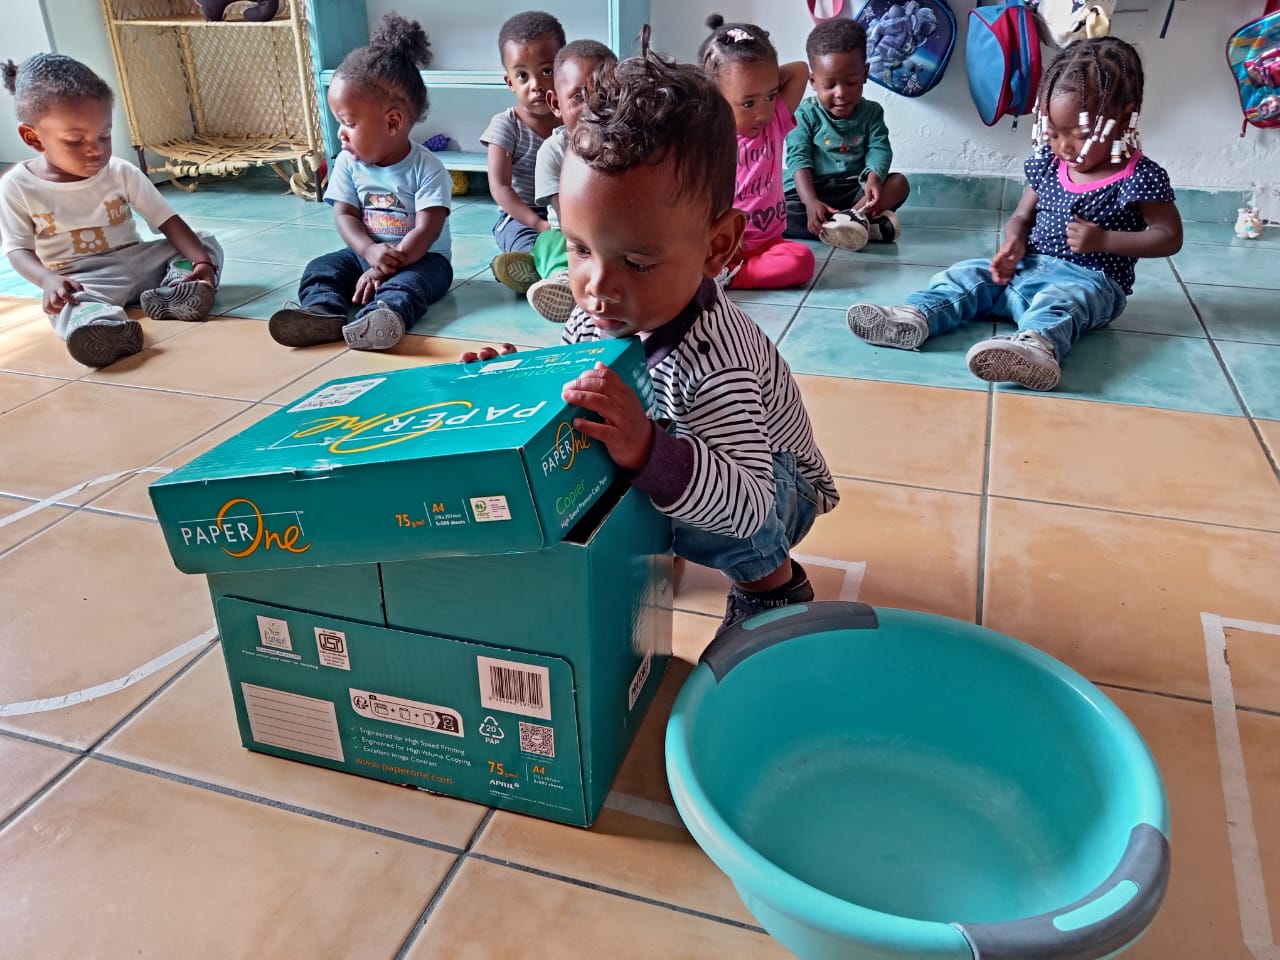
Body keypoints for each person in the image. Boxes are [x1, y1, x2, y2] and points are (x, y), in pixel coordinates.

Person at [464, 44, 840, 634]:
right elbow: (571, 384)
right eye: (580, 249)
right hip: (687, 449)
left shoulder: (716, 363)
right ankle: (660, 515)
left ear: (717, 247)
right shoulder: (598, 313)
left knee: (681, 489)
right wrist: (517, 379)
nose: (597, 287)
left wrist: (648, 451)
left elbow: (748, 505)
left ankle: (771, 585)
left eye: (637, 262)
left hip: (776, 488)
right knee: (600, 446)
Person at [846, 36, 1182, 391]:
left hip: (1091, 281)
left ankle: (1036, 347)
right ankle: (913, 317)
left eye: (1080, 134)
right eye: (1053, 133)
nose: (1064, 146)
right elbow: (1022, 216)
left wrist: (1104, 240)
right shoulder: (1050, 164)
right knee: (968, 274)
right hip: (1028, 268)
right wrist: (1014, 243)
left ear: (1124, 116)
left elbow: (1169, 236)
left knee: (1060, 303)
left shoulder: (1138, 177)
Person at [0, 53, 222, 368]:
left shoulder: (120, 171)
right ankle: (103, 327)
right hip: (83, 278)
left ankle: (179, 288)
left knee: (204, 242)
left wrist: (202, 262)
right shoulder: (17, 186)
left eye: (104, 135)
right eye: (75, 141)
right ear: (33, 137)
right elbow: (18, 250)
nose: (96, 149)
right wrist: (47, 280)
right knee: (69, 304)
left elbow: (168, 222)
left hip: (141, 262)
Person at [268, 14, 451, 351]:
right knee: (321, 268)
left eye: (349, 123)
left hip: (421, 259)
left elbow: (426, 231)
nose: (340, 133)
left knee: (409, 285)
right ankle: (322, 311)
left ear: (392, 123)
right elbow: (345, 215)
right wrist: (367, 251)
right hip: (365, 253)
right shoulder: (348, 163)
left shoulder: (428, 168)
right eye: (339, 122)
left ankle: (383, 316)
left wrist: (383, 268)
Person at [698, 14, 815, 290]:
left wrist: (760, 79)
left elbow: (800, 70)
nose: (762, 113)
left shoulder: (775, 122)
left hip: (769, 243)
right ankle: (720, 271)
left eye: (771, 96)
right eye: (748, 103)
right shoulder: (709, 139)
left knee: (801, 260)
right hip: (722, 245)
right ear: (717, 97)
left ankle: (732, 277)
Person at [783, 17, 911, 250]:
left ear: (865, 74)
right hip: (811, 190)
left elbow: (879, 149)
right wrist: (810, 202)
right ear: (813, 82)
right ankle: (861, 226)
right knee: (776, 212)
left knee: (899, 183)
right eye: (829, 85)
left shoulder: (872, 112)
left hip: (854, 191)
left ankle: (851, 219)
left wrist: (874, 178)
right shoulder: (804, 114)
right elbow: (798, 159)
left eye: (851, 82)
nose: (841, 93)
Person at [526, 39, 617, 323]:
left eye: (605, 96)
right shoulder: (553, 151)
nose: (593, 107)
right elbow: (566, 217)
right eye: (578, 97)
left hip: (620, 231)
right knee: (550, 244)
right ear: (556, 104)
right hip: (572, 234)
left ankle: (536, 271)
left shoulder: (626, 145)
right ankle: (563, 283)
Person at [483, 10, 565, 295]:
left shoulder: (574, 120)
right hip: (522, 214)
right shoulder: (506, 125)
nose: (536, 85)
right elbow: (500, 187)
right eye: (522, 75)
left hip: (567, 209)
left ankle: (560, 267)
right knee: (525, 240)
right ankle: (534, 269)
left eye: (546, 71)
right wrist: (538, 223)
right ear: (510, 82)